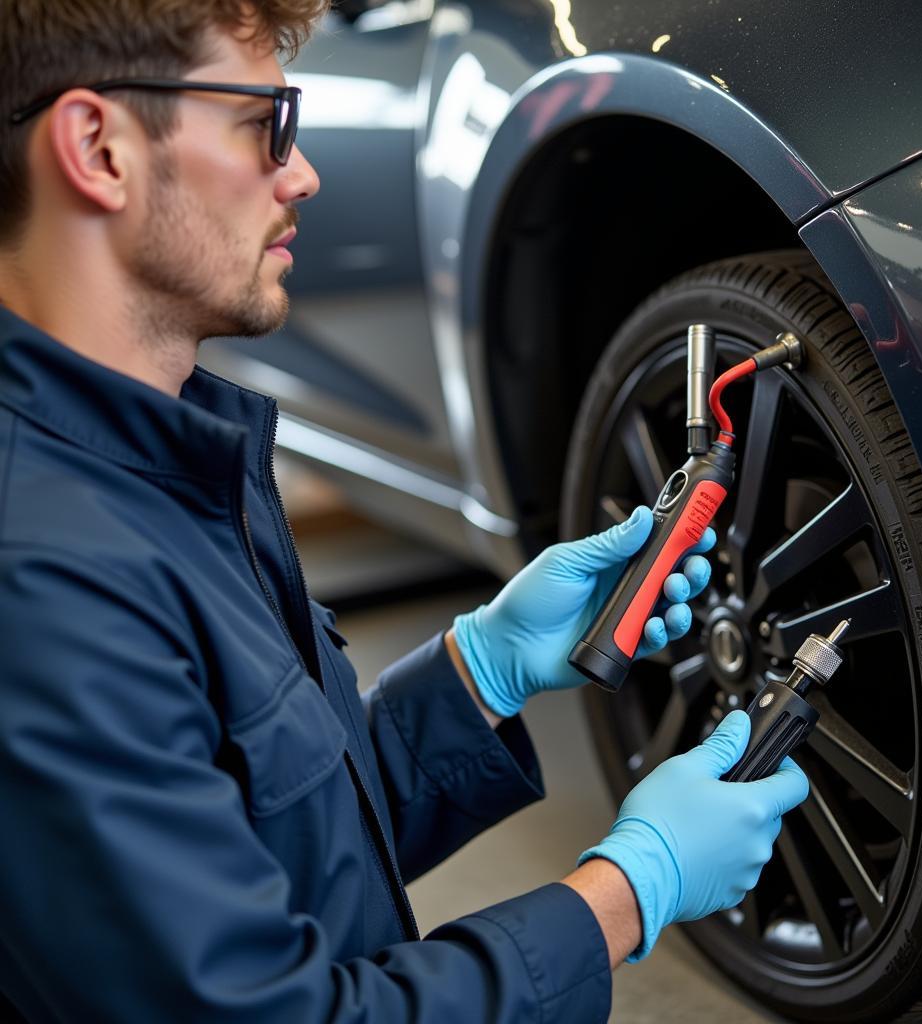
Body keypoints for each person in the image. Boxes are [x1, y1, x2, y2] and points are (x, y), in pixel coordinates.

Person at [0, 2, 809, 1020]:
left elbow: (272, 847)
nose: (302, 176)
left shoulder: (158, 466)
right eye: (266, 126)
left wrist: (479, 671)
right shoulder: (42, 580)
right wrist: (623, 892)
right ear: (99, 148)